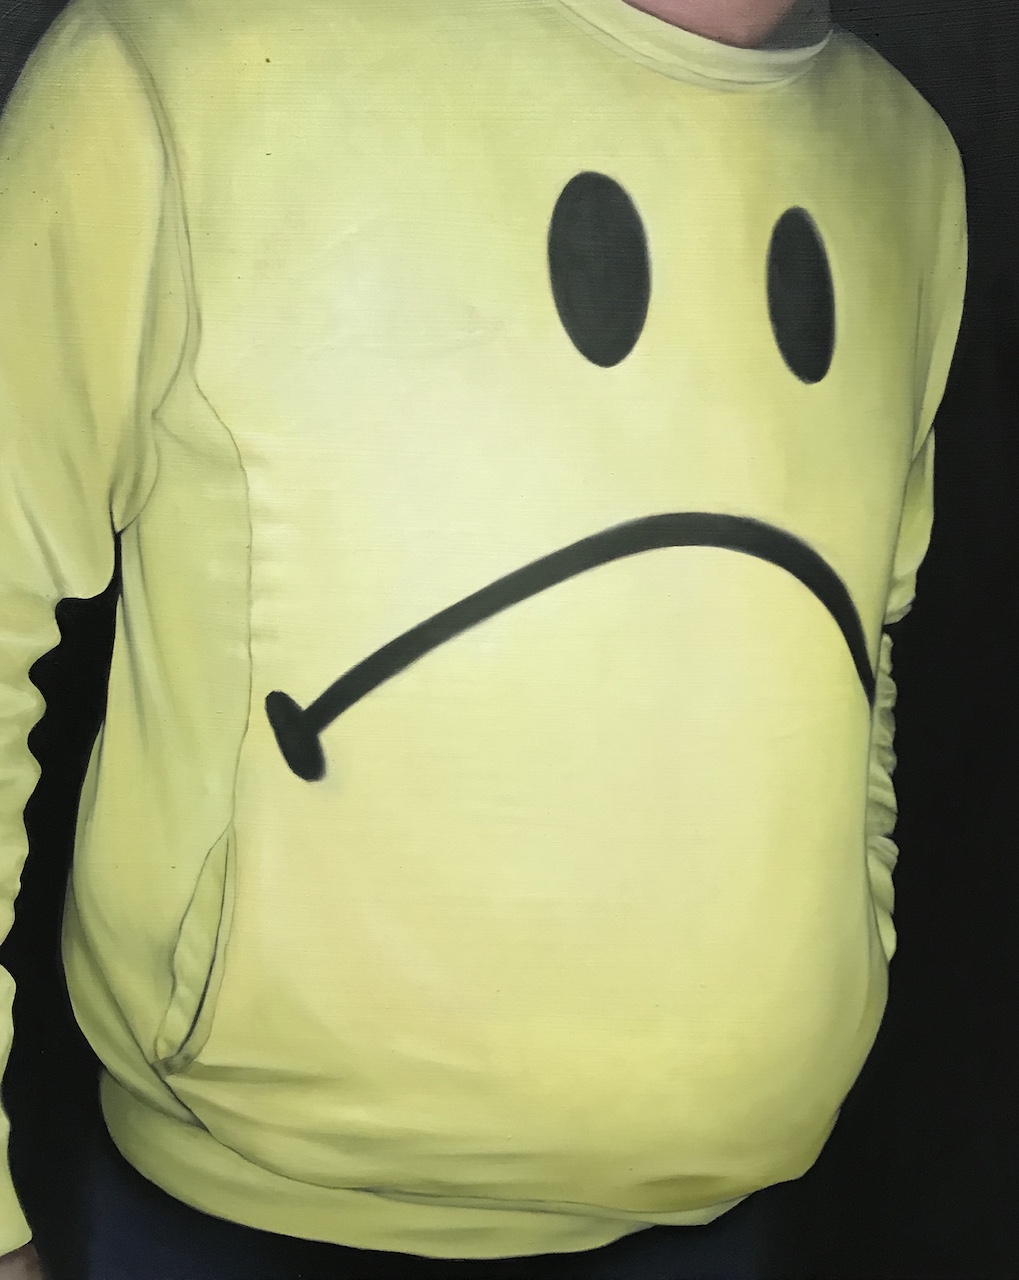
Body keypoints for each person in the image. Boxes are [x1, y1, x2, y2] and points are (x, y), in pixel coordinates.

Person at [0, 0, 966, 1274]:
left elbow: (861, 632)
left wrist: (839, 978)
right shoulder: (179, 55)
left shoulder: (909, 157)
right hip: (233, 1220)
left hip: (736, 1205)